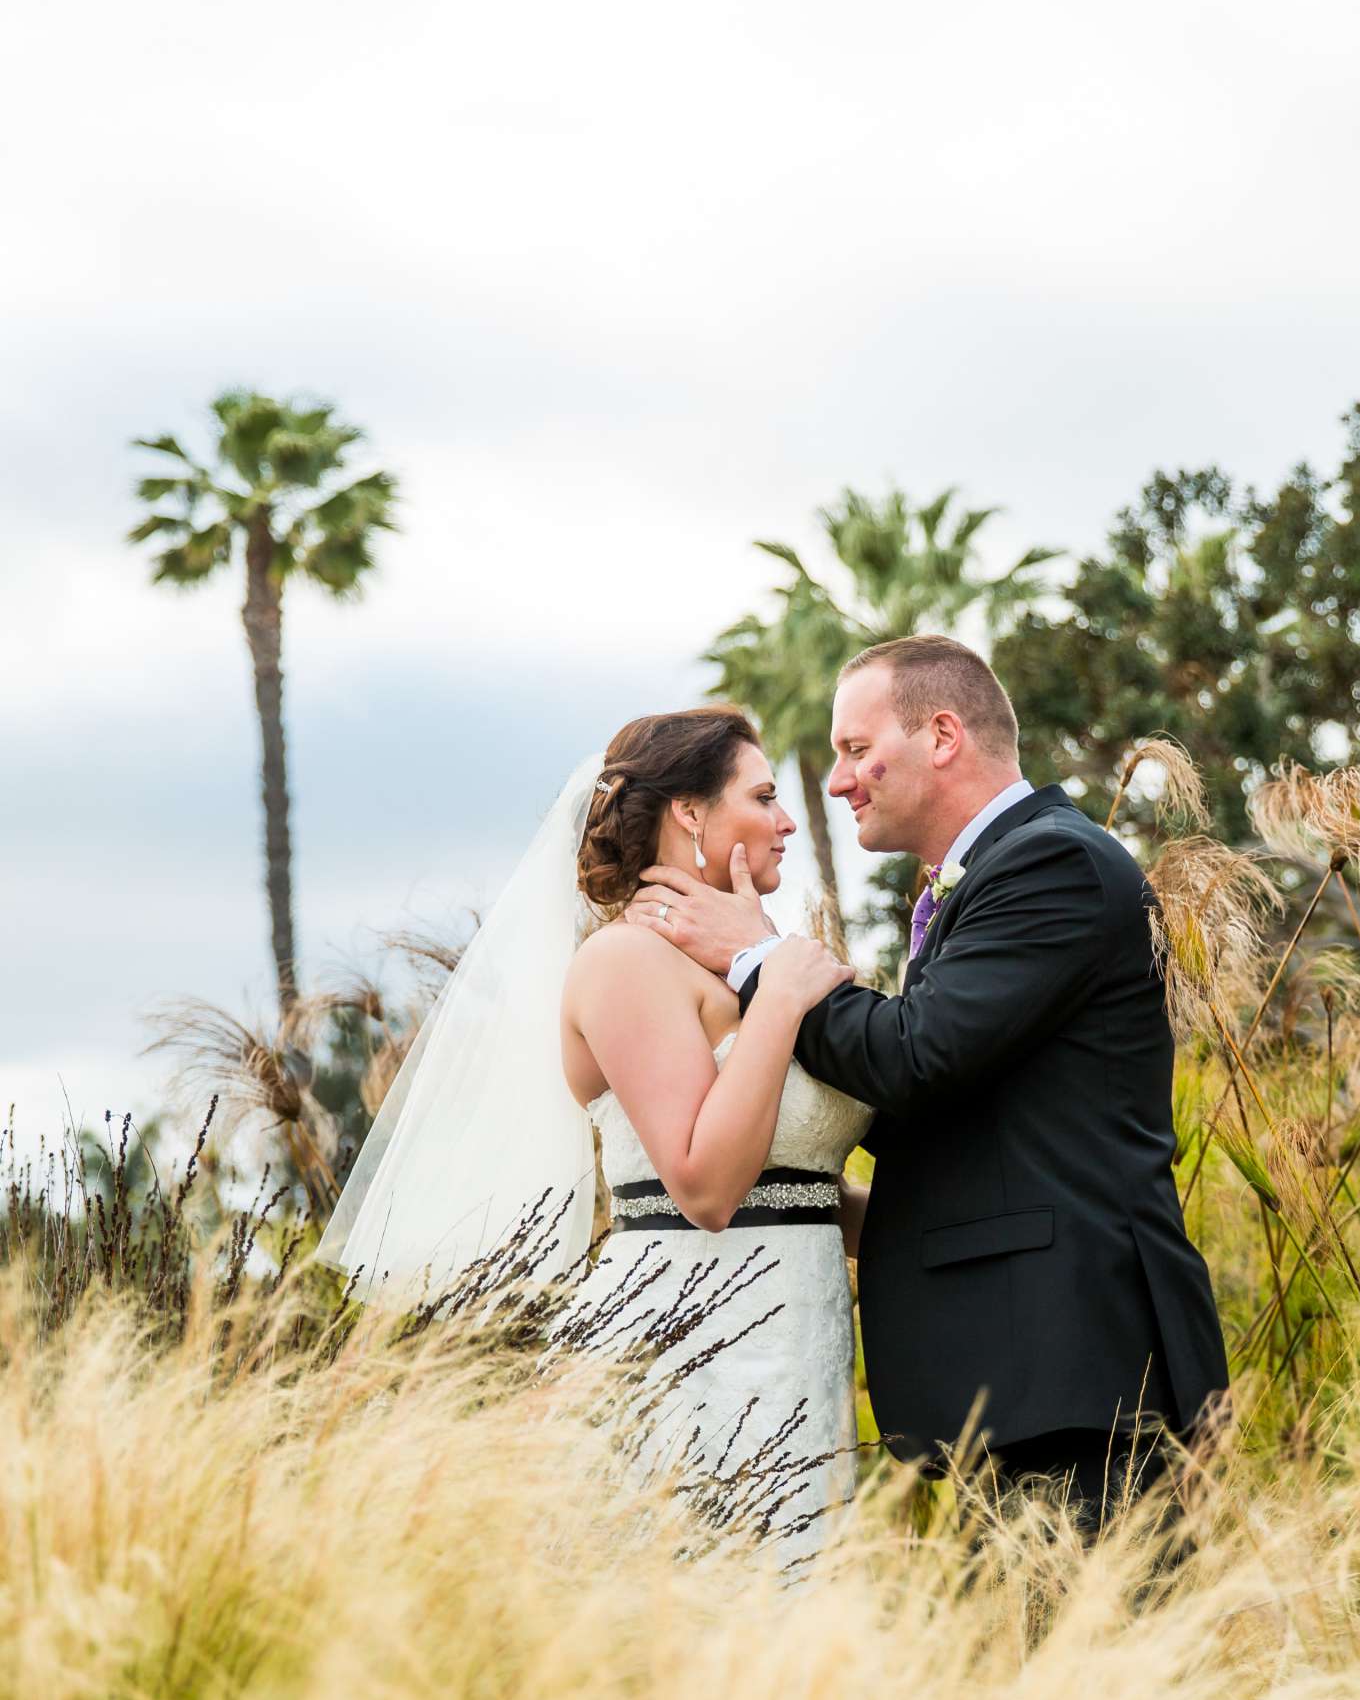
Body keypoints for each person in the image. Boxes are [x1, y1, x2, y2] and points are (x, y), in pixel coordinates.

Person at [627, 636, 1230, 1533]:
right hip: (1031, 1391)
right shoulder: (990, 881)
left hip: (1082, 1385)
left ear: (942, 735)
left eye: (855, 750)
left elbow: (915, 1057)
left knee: (1093, 1665)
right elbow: (969, 1124)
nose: (836, 784)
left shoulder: (1052, 864)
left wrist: (761, 960)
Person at [317, 706, 868, 1566]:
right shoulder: (624, 963)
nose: (791, 818)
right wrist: (786, 998)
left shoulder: (757, 960)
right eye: (763, 796)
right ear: (690, 813)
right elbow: (707, 1186)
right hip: (693, 1344)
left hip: (802, 1340)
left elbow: (792, 1187)